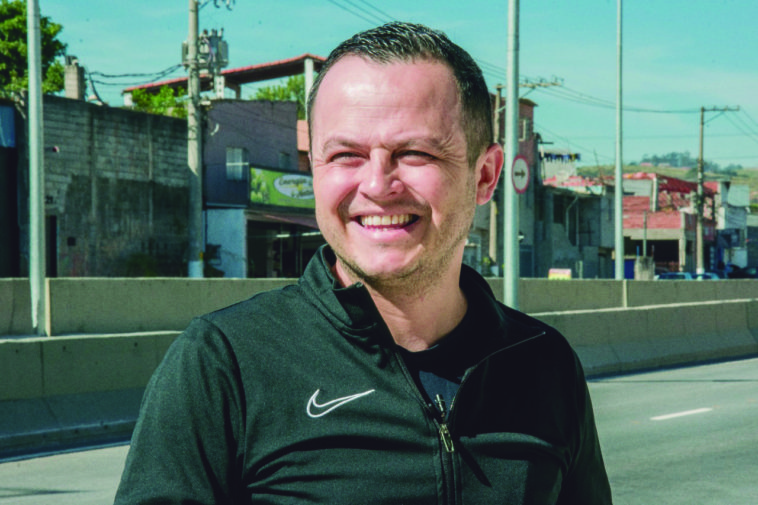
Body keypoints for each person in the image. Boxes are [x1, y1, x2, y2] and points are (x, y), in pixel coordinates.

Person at [115, 21, 613, 504]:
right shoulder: (223, 364)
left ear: (484, 175)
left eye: (414, 152)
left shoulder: (544, 364)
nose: (377, 185)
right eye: (345, 155)